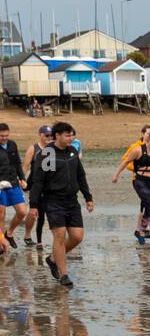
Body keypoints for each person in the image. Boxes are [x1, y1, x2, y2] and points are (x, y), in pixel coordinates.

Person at [27, 121, 93, 288]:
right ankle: (64, 275)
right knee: (59, 234)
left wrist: (88, 197)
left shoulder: (72, 151)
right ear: (57, 136)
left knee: (77, 237)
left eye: (72, 135)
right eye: (68, 135)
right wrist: (33, 205)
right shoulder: (47, 153)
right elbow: (38, 181)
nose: (71, 138)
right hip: (53, 200)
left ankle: (53, 258)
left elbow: (81, 175)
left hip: (72, 201)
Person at [112, 127, 150, 245]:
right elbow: (125, 162)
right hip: (140, 181)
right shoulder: (137, 150)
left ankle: (140, 231)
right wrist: (116, 175)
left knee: (148, 207)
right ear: (148, 139)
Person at [21, 125, 53, 246]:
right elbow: (25, 166)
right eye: (46, 135)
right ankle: (28, 235)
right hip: (34, 183)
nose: (49, 138)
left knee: (46, 211)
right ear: (40, 135)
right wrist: (21, 181)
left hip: (49, 185)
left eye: (51, 136)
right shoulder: (33, 148)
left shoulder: (53, 149)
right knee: (33, 212)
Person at [0, 123, 27, 251]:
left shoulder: (12, 144)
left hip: (13, 182)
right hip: (0, 185)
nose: (4, 138)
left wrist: (22, 178)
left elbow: (17, 163)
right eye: (1, 136)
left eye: (6, 135)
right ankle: (1, 242)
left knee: (22, 212)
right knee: (1, 213)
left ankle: (9, 233)